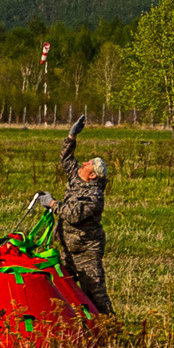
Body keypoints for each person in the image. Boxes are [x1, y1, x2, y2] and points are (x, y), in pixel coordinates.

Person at [47, 114, 110, 314]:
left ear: (92, 175)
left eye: (87, 164)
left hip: (86, 252)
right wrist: (71, 136)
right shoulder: (77, 177)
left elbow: (73, 214)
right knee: (63, 289)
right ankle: (75, 323)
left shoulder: (94, 196)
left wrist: (52, 204)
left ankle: (109, 326)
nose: (83, 163)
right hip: (68, 249)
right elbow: (66, 158)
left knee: (95, 294)